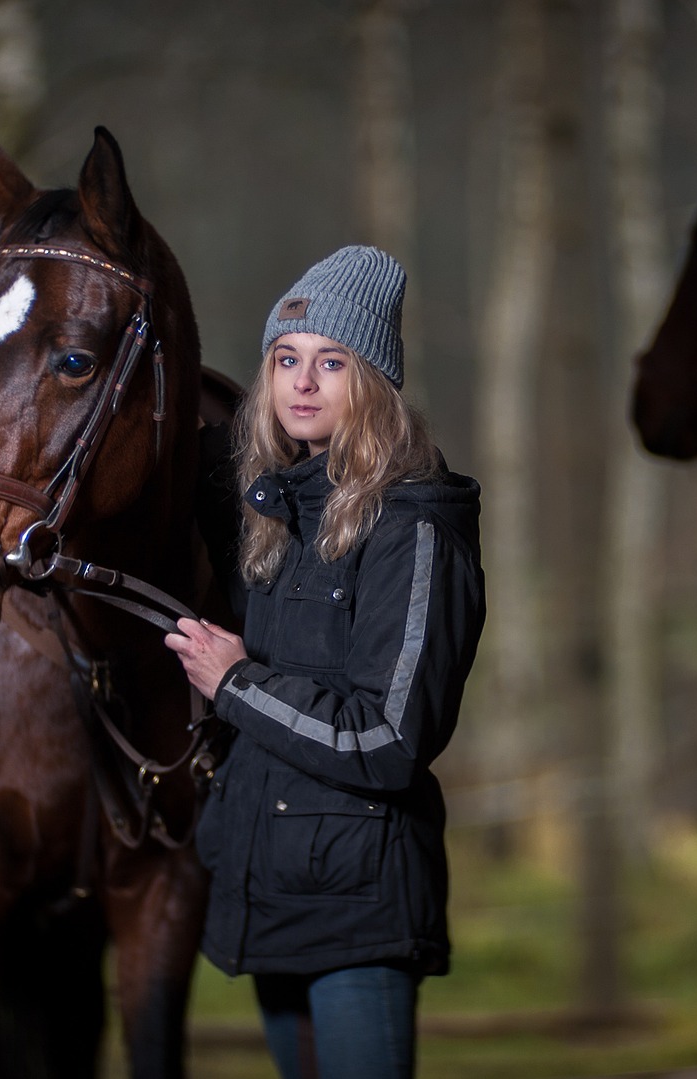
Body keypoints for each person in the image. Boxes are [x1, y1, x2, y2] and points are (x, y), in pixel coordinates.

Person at [165, 245, 486, 1079]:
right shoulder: (276, 514)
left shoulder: (414, 527)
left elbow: (388, 737)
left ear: (372, 381)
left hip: (359, 910)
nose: (302, 382)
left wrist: (235, 683)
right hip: (273, 900)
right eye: (285, 359)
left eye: (331, 362)